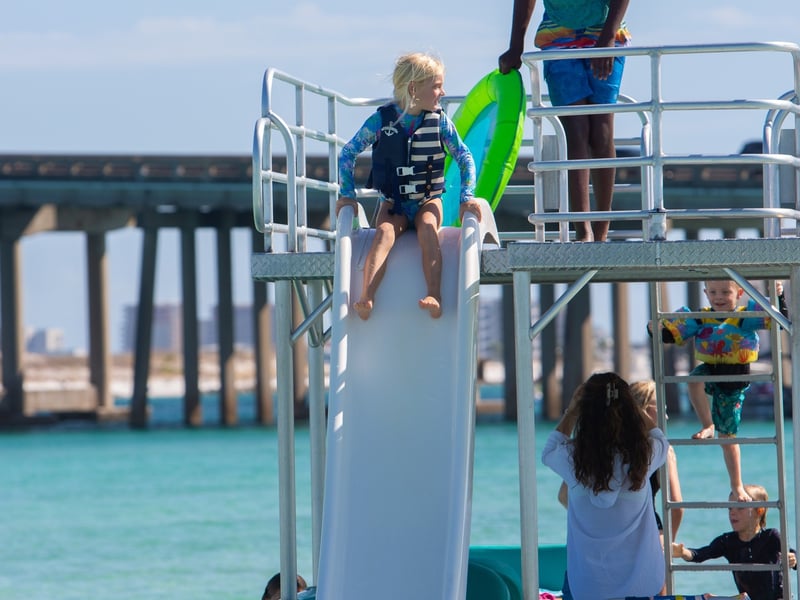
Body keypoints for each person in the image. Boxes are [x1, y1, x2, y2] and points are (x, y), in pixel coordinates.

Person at [335, 52, 480, 321]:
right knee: (384, 233)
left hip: (428, 200)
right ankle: (367, 297)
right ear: (414, 89)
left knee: (427, 228)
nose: (442, 92)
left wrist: (466, 197)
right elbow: (348, 153)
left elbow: (465, 157)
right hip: (394, 202)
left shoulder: (440, 122)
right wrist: (347, 195)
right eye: (436, 86)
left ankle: (434, 295)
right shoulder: (380, 121)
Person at [498, 0, 631, 241]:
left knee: (601, 132)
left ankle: (601, 230)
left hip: (604, 32)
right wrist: (516, 46)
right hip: (558, 35)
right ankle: (583, 230)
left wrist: (608, 37)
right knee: (576, 131)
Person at [649, 280, 787, 502]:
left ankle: (737, 484)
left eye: (725, 292)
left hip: (735, 378)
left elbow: (778, 320)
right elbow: (671, 336)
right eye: (713, 292)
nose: (719, 297)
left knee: (727, 437)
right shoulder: (701, 317)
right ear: (705, 293)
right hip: (711, 368)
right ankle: (707, 424)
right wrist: (654, 329)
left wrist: (778, 296)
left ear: (739, 293)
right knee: (693, 380)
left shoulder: (744, 316)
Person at [542, 372, 669, 600]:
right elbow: (660, 438)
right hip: (642, 584)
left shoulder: (572, 458)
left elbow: (550, 450)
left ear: (585, 411)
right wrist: (630, 405)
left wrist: (572, 411)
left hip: (588, 586)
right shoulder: (642, 456)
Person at [672, 484, 797, 600]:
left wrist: (793, 559)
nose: (732, 512)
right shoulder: (728, 541)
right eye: (730, 508)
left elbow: (794, 556)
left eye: (740, 507)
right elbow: (700, 554)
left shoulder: (771, 537)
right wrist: (683, 552)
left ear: (759, 511)